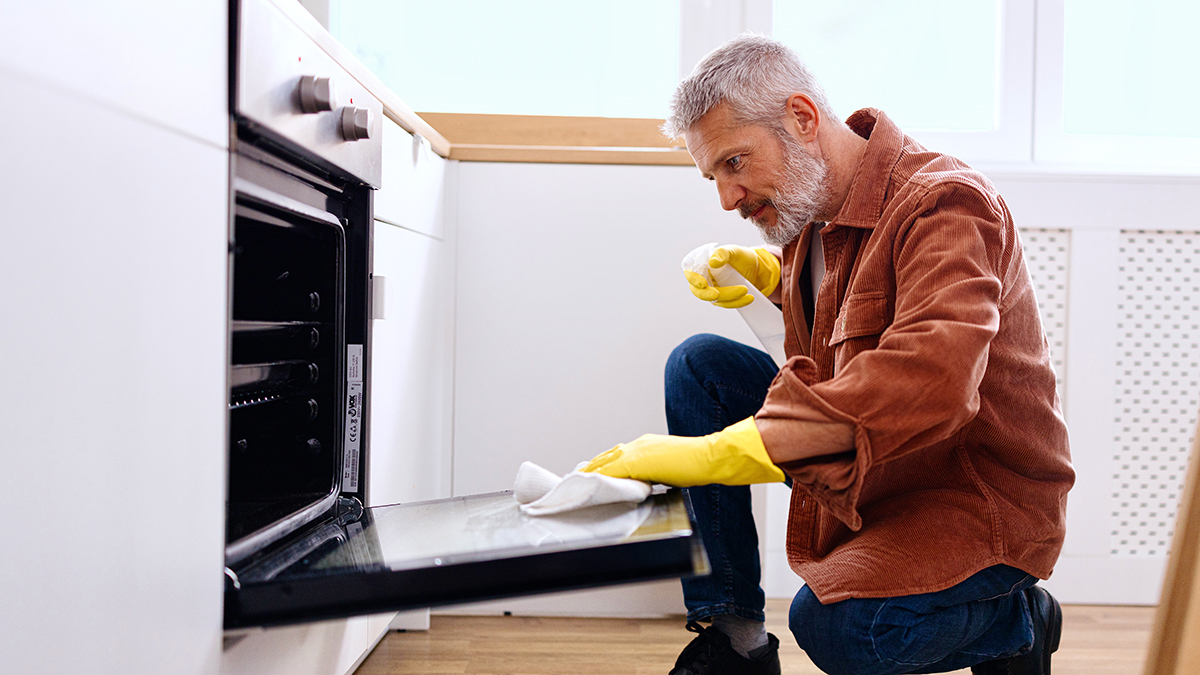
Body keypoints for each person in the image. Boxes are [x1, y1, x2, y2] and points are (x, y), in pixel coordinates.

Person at [582, 35, 1075, 675]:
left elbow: (931, 376)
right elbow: (850, 323)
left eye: (735, 162)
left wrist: (716, 455)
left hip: (966, 491)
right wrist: (772, 280)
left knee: (841, 630)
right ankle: (735, 639)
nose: (728, 199)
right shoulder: (809, 207)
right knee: (701, 366)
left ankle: (1019, 617)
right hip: (880, 462)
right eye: (714, 176)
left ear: (803, 118)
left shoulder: (946, 204)